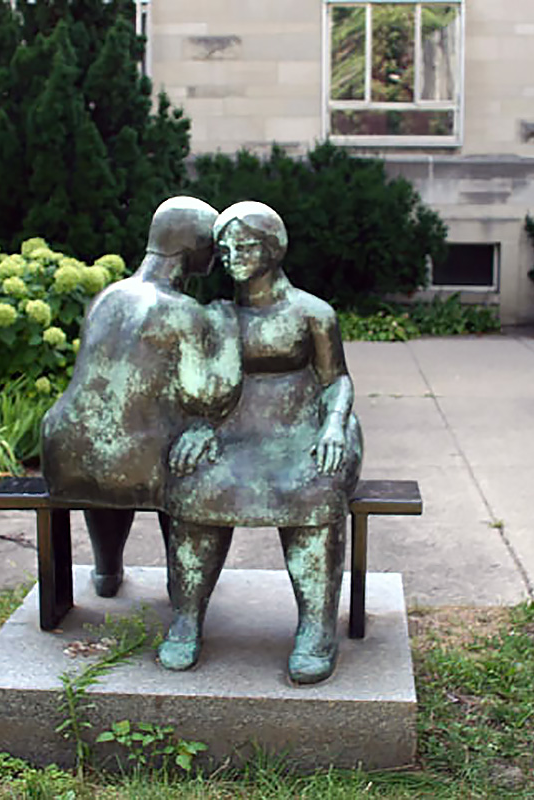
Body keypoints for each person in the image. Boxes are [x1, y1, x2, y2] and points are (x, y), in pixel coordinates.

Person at [161, 201, 363, 684]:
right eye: (226, 248)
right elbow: (197, 384)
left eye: (247, 246)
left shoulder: (312, 312)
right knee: (195, 485)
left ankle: (316, 627)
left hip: (304, 426)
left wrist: (334, 425)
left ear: (273, 249)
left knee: (314, 490)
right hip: (232, 428)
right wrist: (200, 423)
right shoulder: (216, 316)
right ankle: (186, 617)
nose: (234, 256)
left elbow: (336, 380)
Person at [41, 196, 240, 597]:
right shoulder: (184, 311)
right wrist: (228, 331)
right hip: (134, 463)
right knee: (190, 452)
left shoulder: (108, 297)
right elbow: (204, 395)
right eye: (212, 247)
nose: (218, 258)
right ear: (190, 248)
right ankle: (182, 581)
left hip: (63, 450)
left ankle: (107, 571)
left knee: (113, 443)